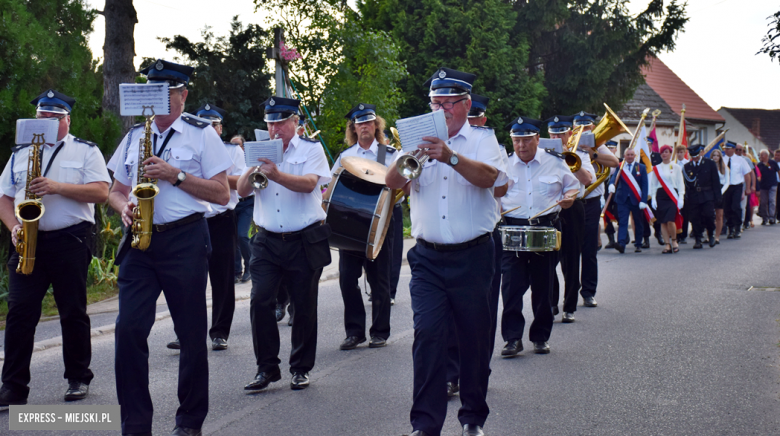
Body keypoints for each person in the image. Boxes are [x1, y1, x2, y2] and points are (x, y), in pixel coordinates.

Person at [108, 59, 232, 436]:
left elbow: (223, 194)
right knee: (128, 331)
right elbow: (114, 191)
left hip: (185, 239)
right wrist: (124, 207)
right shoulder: (134, 135)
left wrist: (175, 175)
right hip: (141, 241)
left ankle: (189, 422)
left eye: (166, 92)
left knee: (192, 334)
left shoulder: (202, 134)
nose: (159, 100)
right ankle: (135, 424)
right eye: (153, 91)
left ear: (183, 95)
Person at [385, 67, 507, 436]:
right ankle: (424, 425)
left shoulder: (484, 140)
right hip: (426, 258)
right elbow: (391, 184)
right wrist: (409, 158)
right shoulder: (416, 142)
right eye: (435, 104)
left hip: (473, 256)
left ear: (466, 104)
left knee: (474, 339)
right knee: (428, 337)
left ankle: (472, 417)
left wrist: (451, 156)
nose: (441, 110)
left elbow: (494, 182)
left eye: (449, 103)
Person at [0, 90, 110, 407]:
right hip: (27, 240)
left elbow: (102, 192)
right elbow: (4, 198)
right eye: (41, 117)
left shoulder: (86, 150)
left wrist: (56, 187)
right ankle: (13, 388)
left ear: (67, 120)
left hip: (70, 240)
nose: (45, 122)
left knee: (72, 311)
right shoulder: (20, 152)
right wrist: (15, 227)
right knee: (20, 314)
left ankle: (78, 377)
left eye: (52, 118)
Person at [239, 97, 332, 393]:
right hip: (266, 240)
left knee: (304, 307)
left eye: (280, 122)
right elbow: (242, 191)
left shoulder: (311, 149)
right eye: (270, 122)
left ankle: (301, 368)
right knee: (259, 301)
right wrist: (253, 166)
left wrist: (277, 173)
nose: (274, 128)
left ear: (295, 122)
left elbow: (308, 184)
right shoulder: (260, 150)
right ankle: (266, 367)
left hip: (304, 238)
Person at [166, 103, 245, 351]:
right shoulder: (188, 145)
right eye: (205, 124)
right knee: (189, 281)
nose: (209, 129)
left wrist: (209, 177)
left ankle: (220, 331)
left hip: (221, 219)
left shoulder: (232, 151)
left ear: (220, 128)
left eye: (214, 125)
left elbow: (242, 182)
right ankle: (186, 330)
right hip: (195, 220)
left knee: (222, 279)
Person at [445, 93, 507, 398]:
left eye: (476, 117)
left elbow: (503, 185)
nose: (471, 122)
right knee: (448, 317)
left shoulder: (489, 144)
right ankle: (451, 374)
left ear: (480, 118)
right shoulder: (436, 141)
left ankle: (478, 369)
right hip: (445, 242)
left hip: (482, 236)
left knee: (480, 316)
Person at [499, 116, 578, 355]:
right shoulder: (504, 164)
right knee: (511, 287)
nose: (521, 146)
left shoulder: (554, 162)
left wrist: (569, 198)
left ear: (536, 139)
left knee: (543, 286)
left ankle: (540, 336)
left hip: (545, 227)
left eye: (525, 140)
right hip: (513, 228)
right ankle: (512, 338)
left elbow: (572, 185)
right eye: (516, 141)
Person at [331, 103, 397, 351]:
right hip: (350, 223)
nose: (364, 126)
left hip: (381, 223)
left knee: (379, 279)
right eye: (359, 123)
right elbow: (332, 184)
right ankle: (354, 332)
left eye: (369, 122)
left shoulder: (388, 154)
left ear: (376, 125)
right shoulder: (345, 156)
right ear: (354, 128)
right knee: (347, 279)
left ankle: (379, 332)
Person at [545, 115, 594, 322]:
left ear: (569, 134)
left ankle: (570, 306)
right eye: (553, 133)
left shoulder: (580, 153)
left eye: (561, 133)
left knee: (572, 258)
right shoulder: (543, 154)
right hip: (550, 209)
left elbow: (587, 179)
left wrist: (570, 160)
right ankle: (552, 301)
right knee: (547, 258)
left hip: (573, 208)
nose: (556, 136)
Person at [571, 111, 620, 309]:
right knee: (570, 251)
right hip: (573, 202)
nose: (583, 129)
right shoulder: (569, 145)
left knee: (589, 250)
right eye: (579, 126)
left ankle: (589, 292)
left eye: (587, 126)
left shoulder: (598, 145)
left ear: (593, 128)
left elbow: (615, 163)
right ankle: (570, 292)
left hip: (591, 202)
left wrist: (593, 154)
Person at [607, 148, 649, 253]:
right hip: (622, 199)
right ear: (624, 156)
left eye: (631, 154)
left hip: (636, 200)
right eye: (628, 155)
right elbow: (614, 177)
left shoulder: (641, 167)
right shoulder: (620, 166)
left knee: (638, 222)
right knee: (622, 222)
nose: (630, 156)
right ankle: (621, 244)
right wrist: (611, 184)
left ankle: (638, 243)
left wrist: (644, 200)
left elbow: (644, 185)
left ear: (635, 156)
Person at [683, 144, 721, 249]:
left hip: (707, 194)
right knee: (695, 218)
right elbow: (686, 184)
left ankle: (711, 234)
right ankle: (698, 238)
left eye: (696, 155)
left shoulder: (710, 164)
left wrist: (718, 197)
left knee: (709, 215)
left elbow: (715, 181)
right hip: (693, 196)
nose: (694, 157)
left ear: (700, 153)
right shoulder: (687, 167)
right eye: (692, 156)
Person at [649, 145, 684, 253]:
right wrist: (653, 198)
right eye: (662, 152)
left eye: (666, 152)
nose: (664, 154)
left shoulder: (676, 167)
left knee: (670, 220)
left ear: (670, 153)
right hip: (661, 196)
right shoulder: (656, 168)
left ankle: (674, 241)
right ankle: (667, 244)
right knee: (663, 221)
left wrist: (681, 197)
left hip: (672, 196)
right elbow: (653, 185)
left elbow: (680, 183)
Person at [231, 134, 254, 283]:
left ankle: (250, 267)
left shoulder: (248, 161)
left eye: (237, 145)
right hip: (234, 203)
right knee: (233, 238)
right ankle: (236, 271)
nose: (235, 148)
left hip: (248, 202)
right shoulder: (228, 161)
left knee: (243, 235)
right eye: (232, 145)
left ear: (243, 147)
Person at [722, 141, 752, 239]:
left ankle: (738, 228)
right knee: (727, 208)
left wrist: (748, 188)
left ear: (733, 149)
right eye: (725, 149)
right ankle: (731, 229)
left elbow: (747, 175)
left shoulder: (740, 160)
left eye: (728, 149)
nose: (726, 150)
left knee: (735, 207)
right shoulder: (722, 160)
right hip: (725, 187)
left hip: (737, 186)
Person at [602, 141, 620, 249]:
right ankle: (611, 239)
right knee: (606, 216)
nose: (610, 150)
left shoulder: (620, 162)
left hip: (617, 193)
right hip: (605, 193)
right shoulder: (602, 162)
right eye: (608, 148)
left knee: (618, 214)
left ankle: (623, 235)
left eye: (612, 148)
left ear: (616, 150)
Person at [734, 143, 756, 230]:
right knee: (733, 206)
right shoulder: (729, 159)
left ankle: (741, 224)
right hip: (732, 186)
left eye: (741, 150)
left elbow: (751, 174)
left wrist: (752, 186)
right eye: (737, 149)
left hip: (743, 186)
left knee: (742, 206)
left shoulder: (746, 159)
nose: (739, 151)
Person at [710, 148, 729, 242]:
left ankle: (717, 237)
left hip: (721, 191)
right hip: (710, 191)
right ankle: (709, 235)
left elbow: (727, 182)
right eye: (714, 155)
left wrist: (720, 193)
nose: (715, 157)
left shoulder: (724, 168)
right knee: (709, 214)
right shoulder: (708, 167)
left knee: (719, 215)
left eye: (717, 155)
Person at [756, 150, 779, 225]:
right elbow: (758, 175)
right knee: (763, 202)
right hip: (763, 186)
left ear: (767, 156)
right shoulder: (759, 165)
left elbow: (778, 171)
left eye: (762, 155)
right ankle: (765, 218)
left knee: (772, 200)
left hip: (773, 184)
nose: (761, 156)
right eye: (760, 155)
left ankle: (772, 217)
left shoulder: (773, 163)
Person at [673, 146, 690, 244]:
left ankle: (684, 235)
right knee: (676, 213)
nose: (679, 154)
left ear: (684, 153)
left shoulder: (687, 164)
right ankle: (677, 234)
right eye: (678, 152)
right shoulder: (673, 164)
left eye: (681, 152)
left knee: (685, 214)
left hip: (685, 191)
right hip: (675, 191)